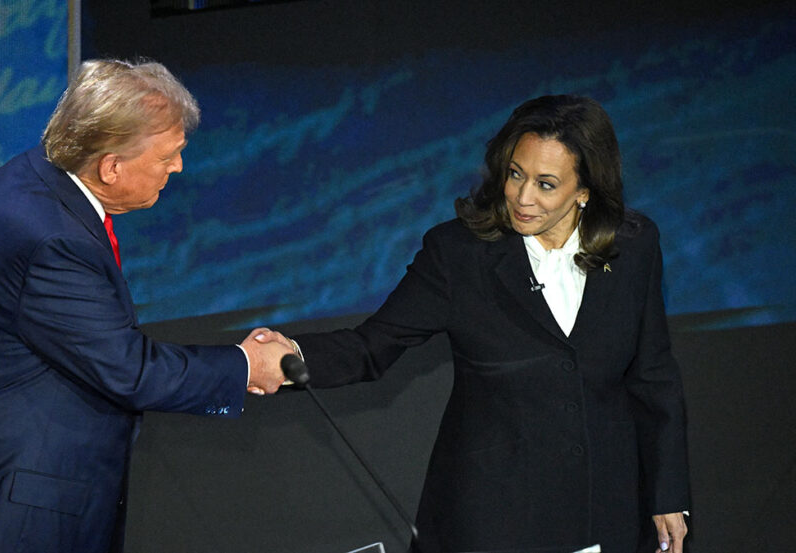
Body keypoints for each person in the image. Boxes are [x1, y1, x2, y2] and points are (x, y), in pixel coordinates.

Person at [0, 59, 291, 553]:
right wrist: (246, 365)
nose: (177, 167)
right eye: (167, 156)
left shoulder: (34, 180)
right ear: (111, 166)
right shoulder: (51, 240)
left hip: (0, 485)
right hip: (6, 509)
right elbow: (129, 370)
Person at [280, 95, 691, 553]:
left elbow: (654, 374)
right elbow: (371, 346)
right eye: (515, 174)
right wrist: (280, 360)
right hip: (493, 518)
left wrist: (667, 494)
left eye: (546, 184)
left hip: (604, 511)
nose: (522, 196)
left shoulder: (633, 245)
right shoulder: (458, 255)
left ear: (585, 190)